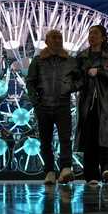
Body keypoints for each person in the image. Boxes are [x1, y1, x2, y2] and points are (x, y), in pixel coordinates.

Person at [26, 29, 80, 185]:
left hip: (62, 105)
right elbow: (30, 82)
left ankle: (65, 168)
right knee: (45, 141)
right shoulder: (37, 61)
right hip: (43, 106)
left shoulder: (70, 61)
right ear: (46, 41)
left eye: (59, 38)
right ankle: (49, 171)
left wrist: (69, 87)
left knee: (65, 139)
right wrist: (36, 102)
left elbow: (81, 80)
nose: (57, 40)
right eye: (54, 38)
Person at [75, 25, 108, 185]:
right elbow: (76, 77)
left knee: (107, 136)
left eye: (95, 33)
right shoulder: (81, 56)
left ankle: (107, 168)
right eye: (90, 33)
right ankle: (91, 174)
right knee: (90, 137)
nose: (91, 36)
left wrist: (100, 71)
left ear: (103, 38)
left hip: (105, 103)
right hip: (87, 103)